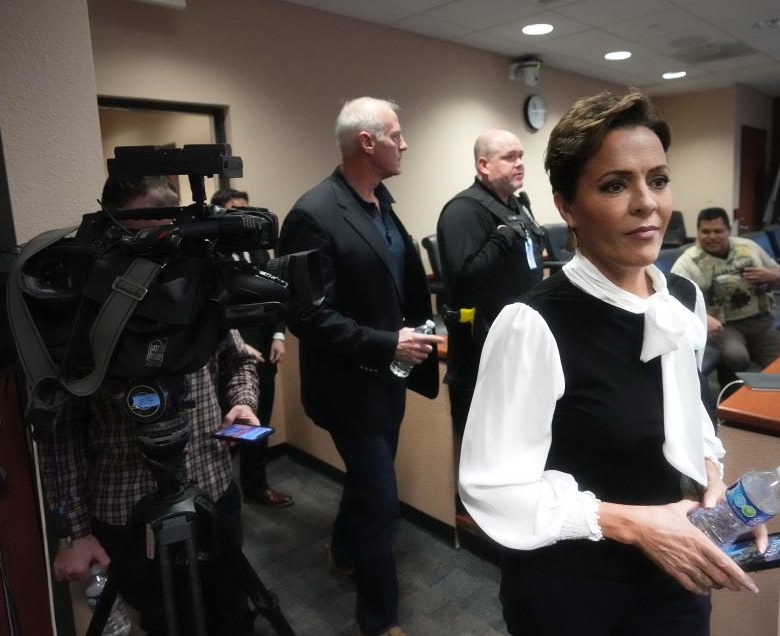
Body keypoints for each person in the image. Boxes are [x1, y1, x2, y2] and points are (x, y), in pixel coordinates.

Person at [459, 90, 765, 636]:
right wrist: (634, 524)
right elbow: (493, 487)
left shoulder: (683, 298)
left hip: (676, 576)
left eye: (659, 180)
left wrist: (714, 483)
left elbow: (687, 414)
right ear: (566, 206)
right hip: (575, 592)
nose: (647, 202)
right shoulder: (533, 324)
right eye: (615, 185)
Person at [40, 175, 260, 635]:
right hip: (128, 510)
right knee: (163, 621)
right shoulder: (86, 302)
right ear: (116, 223)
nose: (163, 242)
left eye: (171, 226)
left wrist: (242, 404)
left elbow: (239, 361)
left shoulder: (200, 286)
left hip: (213, 491)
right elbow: (60, 432)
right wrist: (74, 532)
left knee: (231, 613)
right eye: (148, 228)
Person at [277, 97, 442, 636]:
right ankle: (378, 620)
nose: (405, 142)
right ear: (366, 142)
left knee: (370, 484)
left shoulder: (381, 203)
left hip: (386, 383)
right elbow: (302, 314)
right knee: (382, 503)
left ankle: (344, 550)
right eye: (397, 134)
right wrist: (383, 343)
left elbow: (394, 283)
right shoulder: (313, 213)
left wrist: (419, 331)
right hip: (347, 388)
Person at [435, 129, 543, 483]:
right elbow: (464, 280)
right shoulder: (463, 211)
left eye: (521, 156)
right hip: (481, 348)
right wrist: (502, 237)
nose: (520, 164)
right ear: (483, 165)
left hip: (519, 340)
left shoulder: (517, 205)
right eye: (510, 157)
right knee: (483, 442)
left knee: (517, 435)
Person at [210, 187, 294, 508]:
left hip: (264, 353)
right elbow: (213, 313)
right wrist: (241, 345)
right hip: (229, 359)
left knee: (258, 425)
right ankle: (219, 493)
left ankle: (256, 487)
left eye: (247, 210)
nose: (244, 218)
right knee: (228, 429)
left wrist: (278, 336)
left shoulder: (260, 252)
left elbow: (275, 296)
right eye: (235, 211)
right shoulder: (211, 257)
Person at [671, 207, 780, 385]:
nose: (711, 236)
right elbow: (672, 297)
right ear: (698, 232)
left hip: (760, 321)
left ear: (729, 230)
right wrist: (704, 318)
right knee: (736, 357)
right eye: (705, 231)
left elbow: (778, 271)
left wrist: (773, 276)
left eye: (718, 231)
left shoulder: (748, 247)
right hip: (724, 327)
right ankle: (730, 403)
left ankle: (772, 405)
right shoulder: (688, 261)